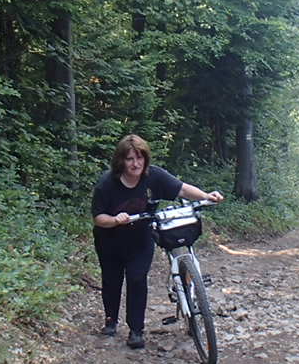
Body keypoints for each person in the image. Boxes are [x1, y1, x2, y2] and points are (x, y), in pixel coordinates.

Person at [91, 134, 224, 349]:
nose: (136, 164)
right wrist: (115, 220)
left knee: (136, 278)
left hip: (141, 238)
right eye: (130, 159)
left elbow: (181, 188)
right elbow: (98, 217)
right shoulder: (107, 184)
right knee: (112, 280)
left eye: (140, 158)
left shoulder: (154, 176)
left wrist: (205, 196)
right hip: (110, 239)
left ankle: (136, 330)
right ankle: (110, 320)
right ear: (121, 161)